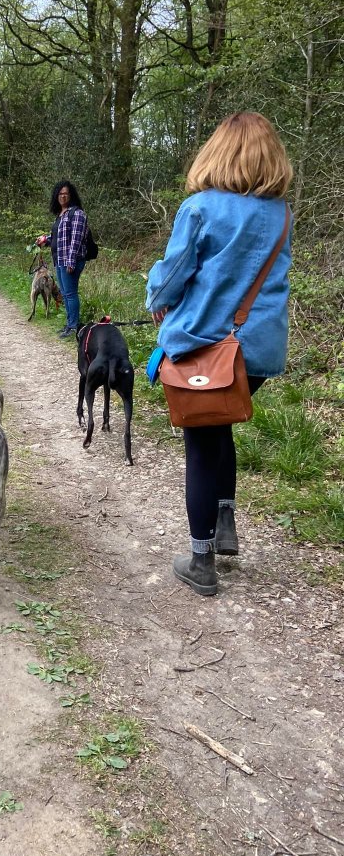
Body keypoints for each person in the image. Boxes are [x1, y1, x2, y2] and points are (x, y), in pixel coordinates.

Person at [145, 112, 293, 597]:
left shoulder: (201, 208)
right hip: (256, 351)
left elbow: (172, 275)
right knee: (221, 428)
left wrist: (155, 302)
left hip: (209, 346)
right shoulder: (281, 214)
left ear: (218, 153)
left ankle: (201, 561)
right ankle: (225, 524)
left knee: (201, 446)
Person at [35, 180, 97, 338]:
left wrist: (71, 261)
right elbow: (59, 238)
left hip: (71, 261)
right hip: (59, 259)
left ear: (71, 195)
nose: (63, 196)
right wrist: (45, 240)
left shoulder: (77, 213)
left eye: (66, 193)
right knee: (64, 292)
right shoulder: (60, 215)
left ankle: (74, 327)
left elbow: (76, 239)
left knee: (70, 293)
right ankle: (69, 325)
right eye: (60, 194)